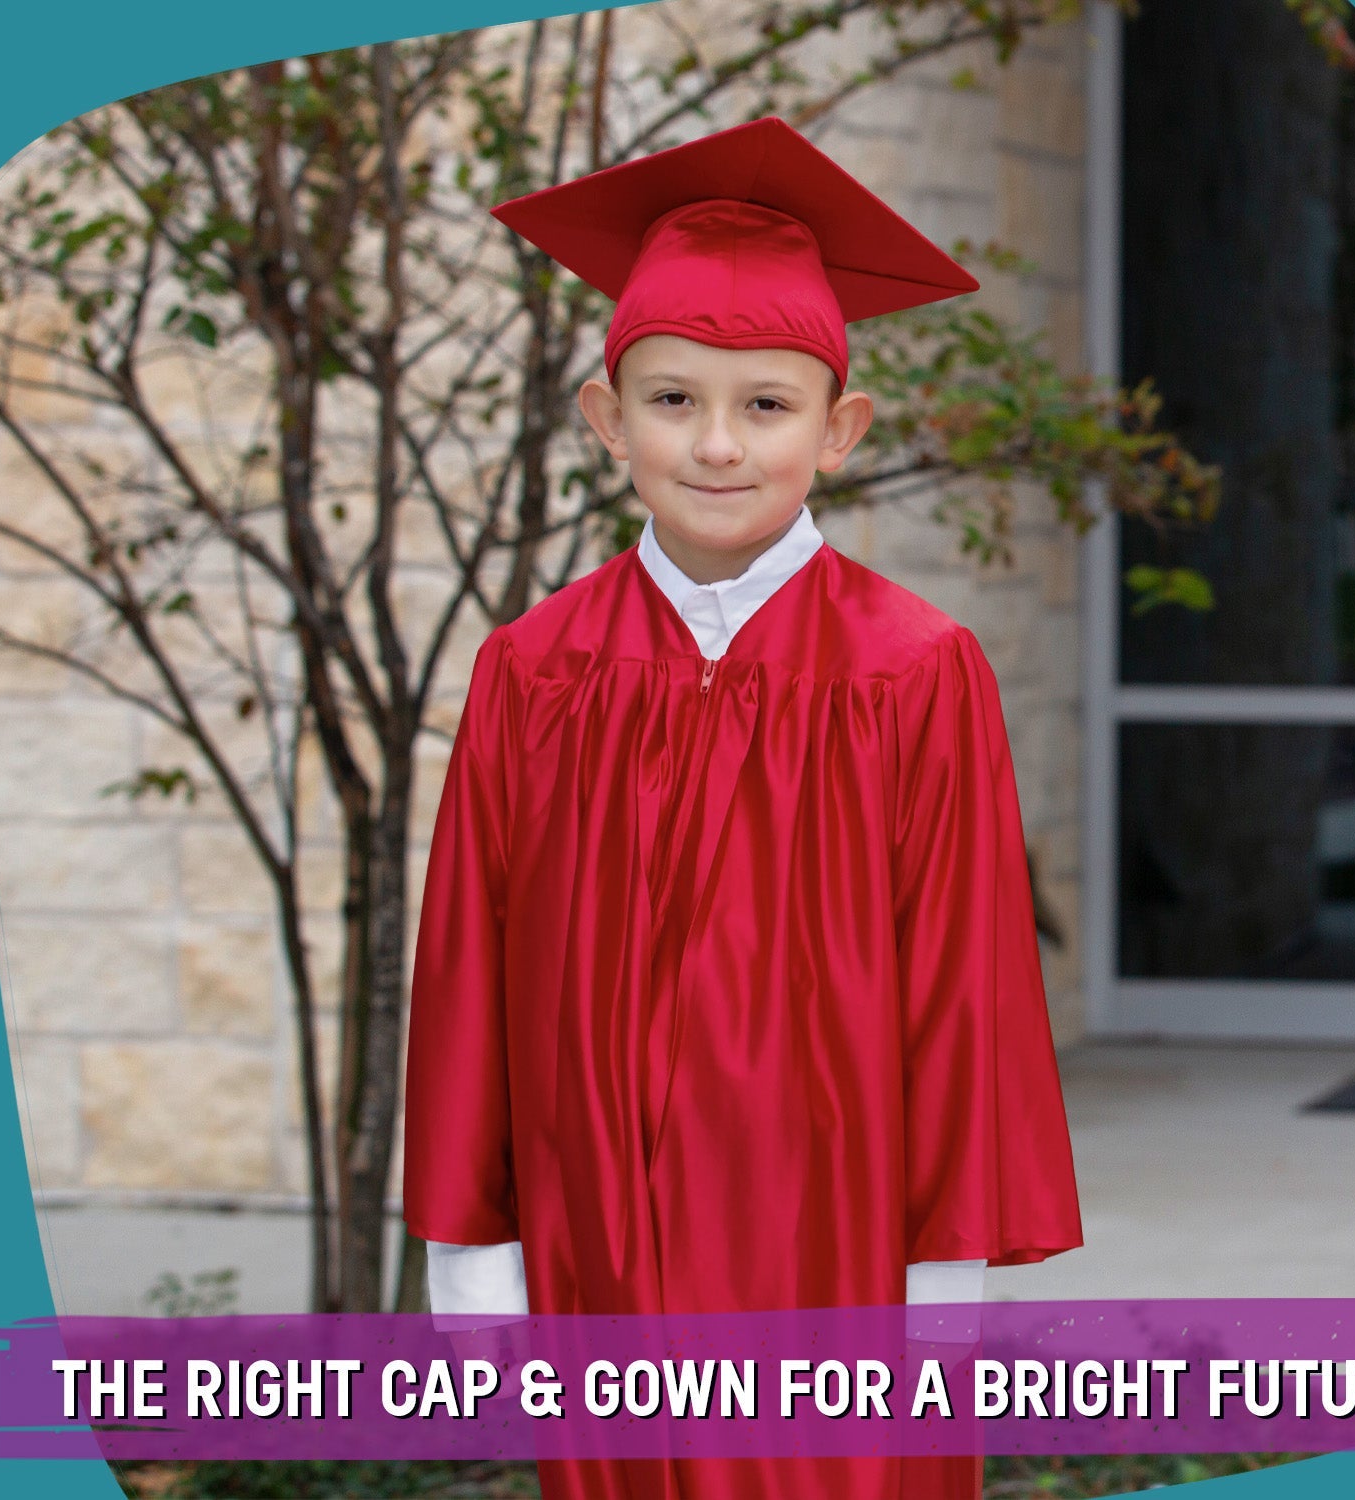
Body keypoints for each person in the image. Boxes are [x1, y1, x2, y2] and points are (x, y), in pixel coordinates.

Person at [402, 116, 1082, 1500]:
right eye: (671, 399)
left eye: (765, 404)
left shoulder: (913, 672)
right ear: (606, 419)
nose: (717, 444)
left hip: (833, 1262)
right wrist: (474, 1268)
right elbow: (469, 972)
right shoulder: (535, 672)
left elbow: (968, 992)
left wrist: (945, 1300)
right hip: (594, 1255)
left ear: (838, 433)